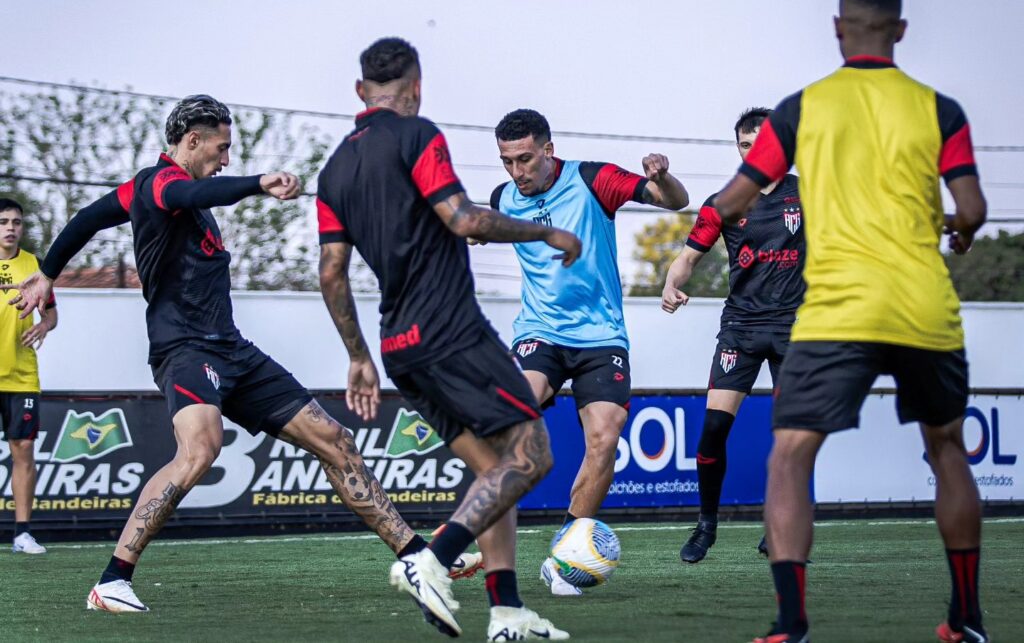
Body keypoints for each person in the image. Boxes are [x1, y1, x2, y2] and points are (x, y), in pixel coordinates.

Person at [5, 95, 479, 614]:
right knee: (200, 450)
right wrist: (256, 183)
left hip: (232, 350)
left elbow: (86, 220)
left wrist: (48, 272)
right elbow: (193, 190)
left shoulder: (157, 193)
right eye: (222, 147)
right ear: (191, 141)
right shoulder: (160, 184)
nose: (226, 157)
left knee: (334, 439)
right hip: (183, 349)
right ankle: (112, 580)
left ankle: (417, 558)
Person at [713, 0, 989, 643]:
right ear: (900, 29)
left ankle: (791, 622)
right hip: (923, 304)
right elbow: (973, 209)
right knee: (948, 449)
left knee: (789, 456)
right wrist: (958, 226)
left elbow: (732, 199)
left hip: (836, 309)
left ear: (838, 28)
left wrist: (701, 242)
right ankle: (968, 619)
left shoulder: (802, 107)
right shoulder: (939, 108)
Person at [317, 38, 581, 640]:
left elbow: (331, 272)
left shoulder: (334, 170)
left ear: (361, 91)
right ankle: (430, 559)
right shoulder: (417, 134)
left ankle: (508, 613)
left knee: (493, 471)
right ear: (416, 87)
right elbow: (463, 218)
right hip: (450, 331)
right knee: (533, 454)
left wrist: (358, 356)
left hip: (398, 346)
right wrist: (546, 233)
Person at [488, 108, 688, 596]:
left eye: (526, 159)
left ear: (549, 151)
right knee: (508, 416)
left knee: (605, 436)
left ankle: (565, 554)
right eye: (507, 161)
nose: (517, 172)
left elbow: (674, 202)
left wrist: (663, 179)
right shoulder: (502, 198)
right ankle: (483, 536)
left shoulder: (594, 180)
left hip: (600, 337)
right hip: (540, 333)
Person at [662, 108, 804, 564]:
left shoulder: (811, 192)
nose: (753, 151)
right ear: (739, 149)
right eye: (745, 145)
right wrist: (671, 281)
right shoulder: (723, 201)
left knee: (793, 438)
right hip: (740, 330)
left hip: (795, 330)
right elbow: (687, 257)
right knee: (712, 434)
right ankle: (706, 526)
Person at [0, 198, 57, 554]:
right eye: (4, 221)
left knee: (23, 450)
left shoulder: (35, 266)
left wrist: (44, 328)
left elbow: (51, 315)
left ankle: (22, 533)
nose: (10, 228)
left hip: (21, 377)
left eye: (16, 222)